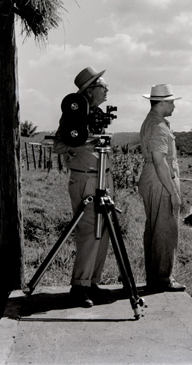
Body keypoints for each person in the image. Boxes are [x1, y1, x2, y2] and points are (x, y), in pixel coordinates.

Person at [53, 66, 114, 308]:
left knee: (104, 230)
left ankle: (92, 282)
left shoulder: (97, 114)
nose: (107, 90)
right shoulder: (74, 114)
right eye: (103, 86)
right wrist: (84, 141)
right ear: (89, 92)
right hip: (85, 179)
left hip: (102, 177)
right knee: (89, 231)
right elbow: (58, 145)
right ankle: (79, 286)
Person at [138, 84, 186, 292]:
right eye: (172, 102)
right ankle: (162, 279)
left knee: (156, 229)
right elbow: (160, 161)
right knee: (165, 230)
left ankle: (156, 277)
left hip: (154, 179)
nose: (174, 106)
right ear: (162, 103)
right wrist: (173, 193)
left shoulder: (156, 123)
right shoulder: (157, 126)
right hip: (160, 180)